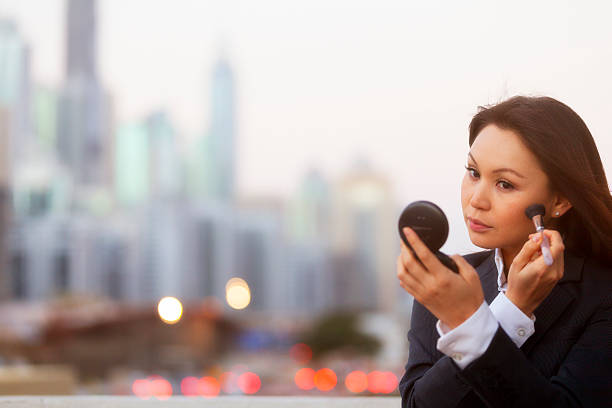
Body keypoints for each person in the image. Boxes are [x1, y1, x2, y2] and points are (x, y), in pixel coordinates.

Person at [396, 96, 612, 408]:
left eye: (505, 184)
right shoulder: (447, 286)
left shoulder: (603, 296)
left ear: (560, 201)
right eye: (473, 172)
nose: (476, 200)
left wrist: (481, 321)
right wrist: (508, 310)